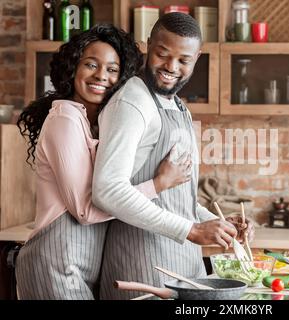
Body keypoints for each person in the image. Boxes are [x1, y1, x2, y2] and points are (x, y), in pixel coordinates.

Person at [15, 25, 192, 300]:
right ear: (73, 67)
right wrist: (158, 184)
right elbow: (86, 210)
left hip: (79, 267)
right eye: (91, 65)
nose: (102, 76)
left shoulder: (94, 123)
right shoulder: (66, 119)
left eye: (112, 69)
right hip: (54, 264)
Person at [92, 13, 254, 300]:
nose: (171, 67)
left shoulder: (177, 105)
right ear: (148, 46)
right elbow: (107, 190)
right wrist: (190, 230)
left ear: (197, 57)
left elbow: (177, 200)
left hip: (184, 269)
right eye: (162, 54)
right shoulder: (132, 102)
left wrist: (216, 225)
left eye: (183, 60)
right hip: (143, 270)